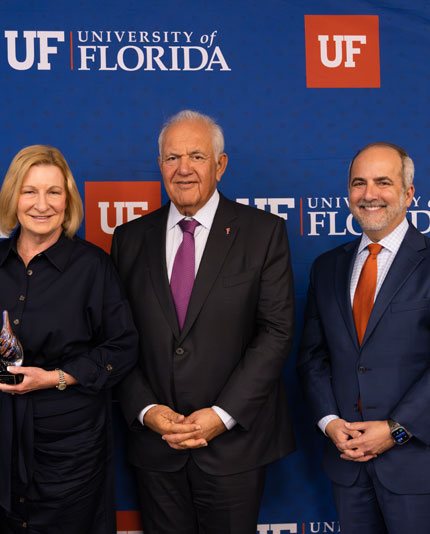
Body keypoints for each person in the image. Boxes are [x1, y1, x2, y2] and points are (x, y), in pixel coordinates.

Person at [110, 110, 296, 534]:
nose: (184, 169)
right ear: (160, 166)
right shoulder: (129, 239)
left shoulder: (262, 232)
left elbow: (276, 332)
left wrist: (222, 414)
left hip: (234, 445)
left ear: (220, 164)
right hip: (157, 444)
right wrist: (148, 410)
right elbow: (117, 339)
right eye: (172, 157)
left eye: (196, 155)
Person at [297, 142, 430, 533]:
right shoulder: (327, 267)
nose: (369, 194)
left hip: (421, 465)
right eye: (358, 183)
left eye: (383, 182)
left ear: (408, 193)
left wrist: (395, 430)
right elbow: (314, 357)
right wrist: (331, 423)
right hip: (348, 464)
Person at [0, 145, 138, 534]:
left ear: (68, 201)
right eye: (30, 191)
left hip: (72, 440)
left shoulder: (92, 266)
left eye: (53, 191)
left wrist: (54, 377)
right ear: (13, 198)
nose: (41, 204)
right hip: (2, 432)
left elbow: (123, 346)